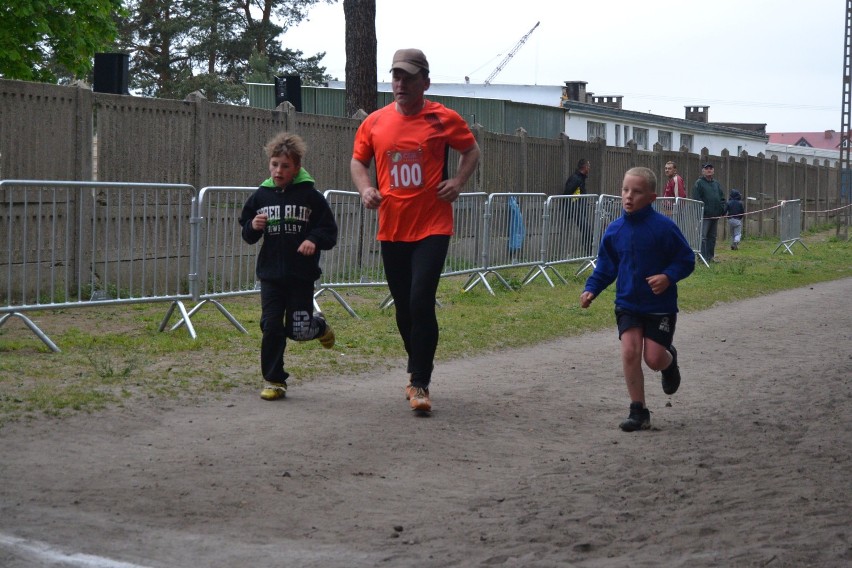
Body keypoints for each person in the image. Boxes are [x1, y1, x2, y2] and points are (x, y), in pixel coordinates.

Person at [350, 48, 481, 414]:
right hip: (392, 228)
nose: (400, 83)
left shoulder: (443, 118)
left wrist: (457, 181)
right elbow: (358, 161)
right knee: (405, 309)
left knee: (421, 299)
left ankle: (420, 380)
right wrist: (365, 189)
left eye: (408, 77)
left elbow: (471, 151)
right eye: (396, 76)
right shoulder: (375, 122)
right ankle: (417, 367)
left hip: (432, 225)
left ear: (425, 81)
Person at [580, 167, 695, 432]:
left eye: (637, 192)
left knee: (653, 358)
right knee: (630, 352)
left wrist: (667, 276)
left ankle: (670, 361)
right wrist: (591, 289)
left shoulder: (664, 228)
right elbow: (606, 267)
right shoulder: (615, 230)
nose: (629, 196)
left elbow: (686, 259)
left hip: (659, 305)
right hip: (628, 303)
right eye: (625, 190)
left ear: (652, 197)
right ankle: (638, 411)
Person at [239, 132, 339, 401]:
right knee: (271, 326)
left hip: (300, 276)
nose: (278, 170)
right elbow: (247, 234)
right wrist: (253, 226)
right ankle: (274, 379)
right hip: (270, 275)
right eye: (274, 164)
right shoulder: (261, 196)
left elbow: (329, 232)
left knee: (298, 330)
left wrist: (312, 239)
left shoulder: (311, 197)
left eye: (285, 165)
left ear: (297, 167)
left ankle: (319, 328)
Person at [692, 162, 726, 262]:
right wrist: (703, 211)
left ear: (713, 170)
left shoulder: (716, 184)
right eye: (707, 168)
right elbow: (696, 199)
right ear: (703, 171)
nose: (709, 170)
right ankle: (702, 258)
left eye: (711, 168)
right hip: (705, 216)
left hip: (715, 215)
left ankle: (710, 257)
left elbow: (722, 198)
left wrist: (722, 209)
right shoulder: (699, 183)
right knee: (703, 237)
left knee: (712, 237)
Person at [563, 158, 593, 253]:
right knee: (587, 230)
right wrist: (571, 208)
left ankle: (588, 253)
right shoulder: (576, 179)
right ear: (584, 167)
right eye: (588, 166)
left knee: (586, 231)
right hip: (576, 209)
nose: (589, 168)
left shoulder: (581, 178)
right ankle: (588, 253)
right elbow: (567, 193)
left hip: (580, 209)